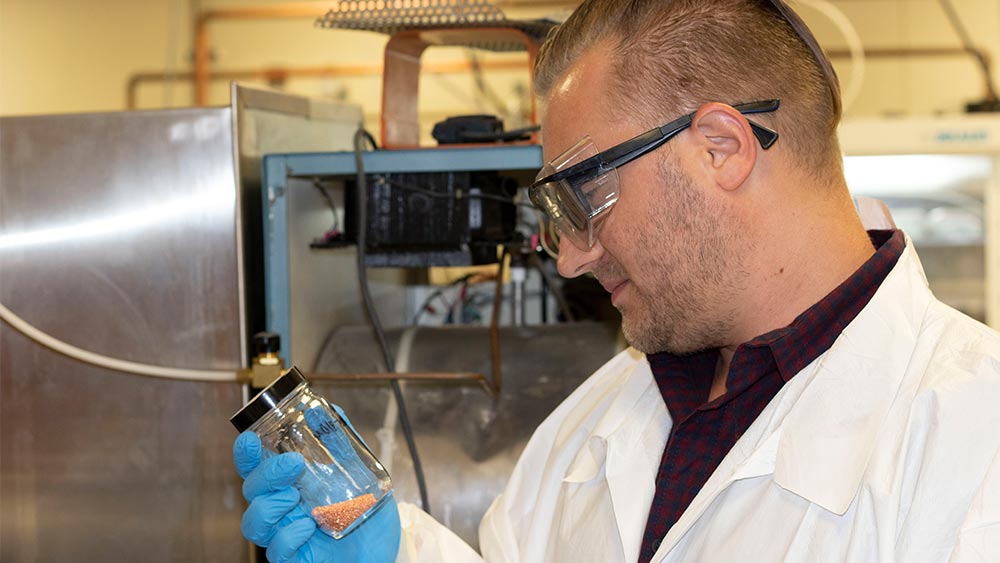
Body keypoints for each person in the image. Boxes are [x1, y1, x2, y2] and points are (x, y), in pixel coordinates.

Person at [233, 0, 1000, 561]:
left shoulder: (973, 444)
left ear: (720, 148)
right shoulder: (598, 417)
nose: (569, 257)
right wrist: (395, 556)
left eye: (580, 196)